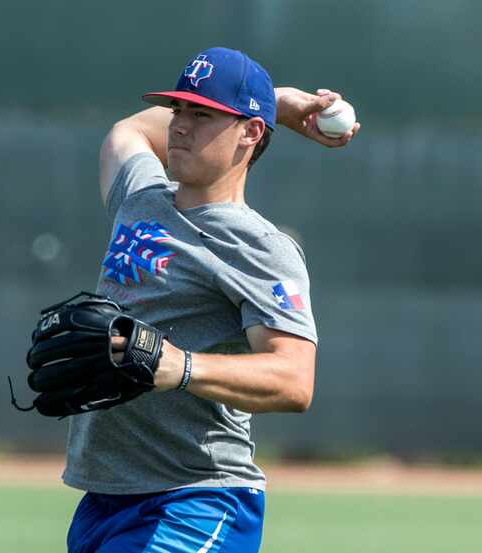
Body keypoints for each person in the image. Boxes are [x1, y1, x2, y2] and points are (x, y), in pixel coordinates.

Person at [63, 47, 360, 553]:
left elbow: (294, 378)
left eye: (201, 114)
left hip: (197, 502)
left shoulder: (259, 247)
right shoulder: (140, 196)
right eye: (178, 109)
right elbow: (127, 131)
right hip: (105, 497)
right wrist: (279, 103)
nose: (179, 125)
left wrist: (180, 365)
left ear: (249, 133)